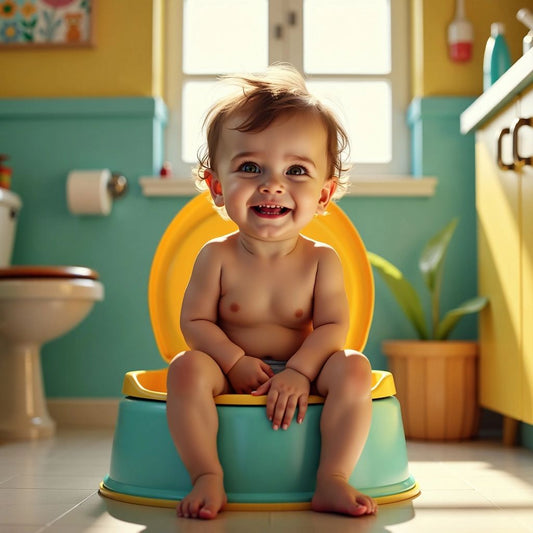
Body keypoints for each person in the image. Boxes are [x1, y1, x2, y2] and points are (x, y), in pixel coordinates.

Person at [166, 64, 376, 520]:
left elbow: (335, 327)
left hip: (306, 370)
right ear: (217, 187)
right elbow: (194, 323)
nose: (272, 184)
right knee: (184, 370)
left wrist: (301, 372)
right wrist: (232, 361)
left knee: (355, 369)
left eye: (296, 169)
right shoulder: (215, 257)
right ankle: (207, 474)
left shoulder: (321, 260)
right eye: (250, 167)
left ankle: (332, 478)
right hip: (232, 371)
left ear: (324, 195)